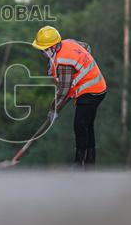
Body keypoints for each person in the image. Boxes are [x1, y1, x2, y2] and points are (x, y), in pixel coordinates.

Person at [31, 26, 107, 167]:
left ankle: (80, 163)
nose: (42, 53)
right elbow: (86, 47)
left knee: (80, 125)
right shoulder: (69, 42)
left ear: (53, 48)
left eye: (44, 50)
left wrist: (53, 109)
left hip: (91, 90)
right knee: (87, 125)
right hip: (98, 86)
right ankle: (89, 164)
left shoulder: (63, 63)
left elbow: (64, 90)